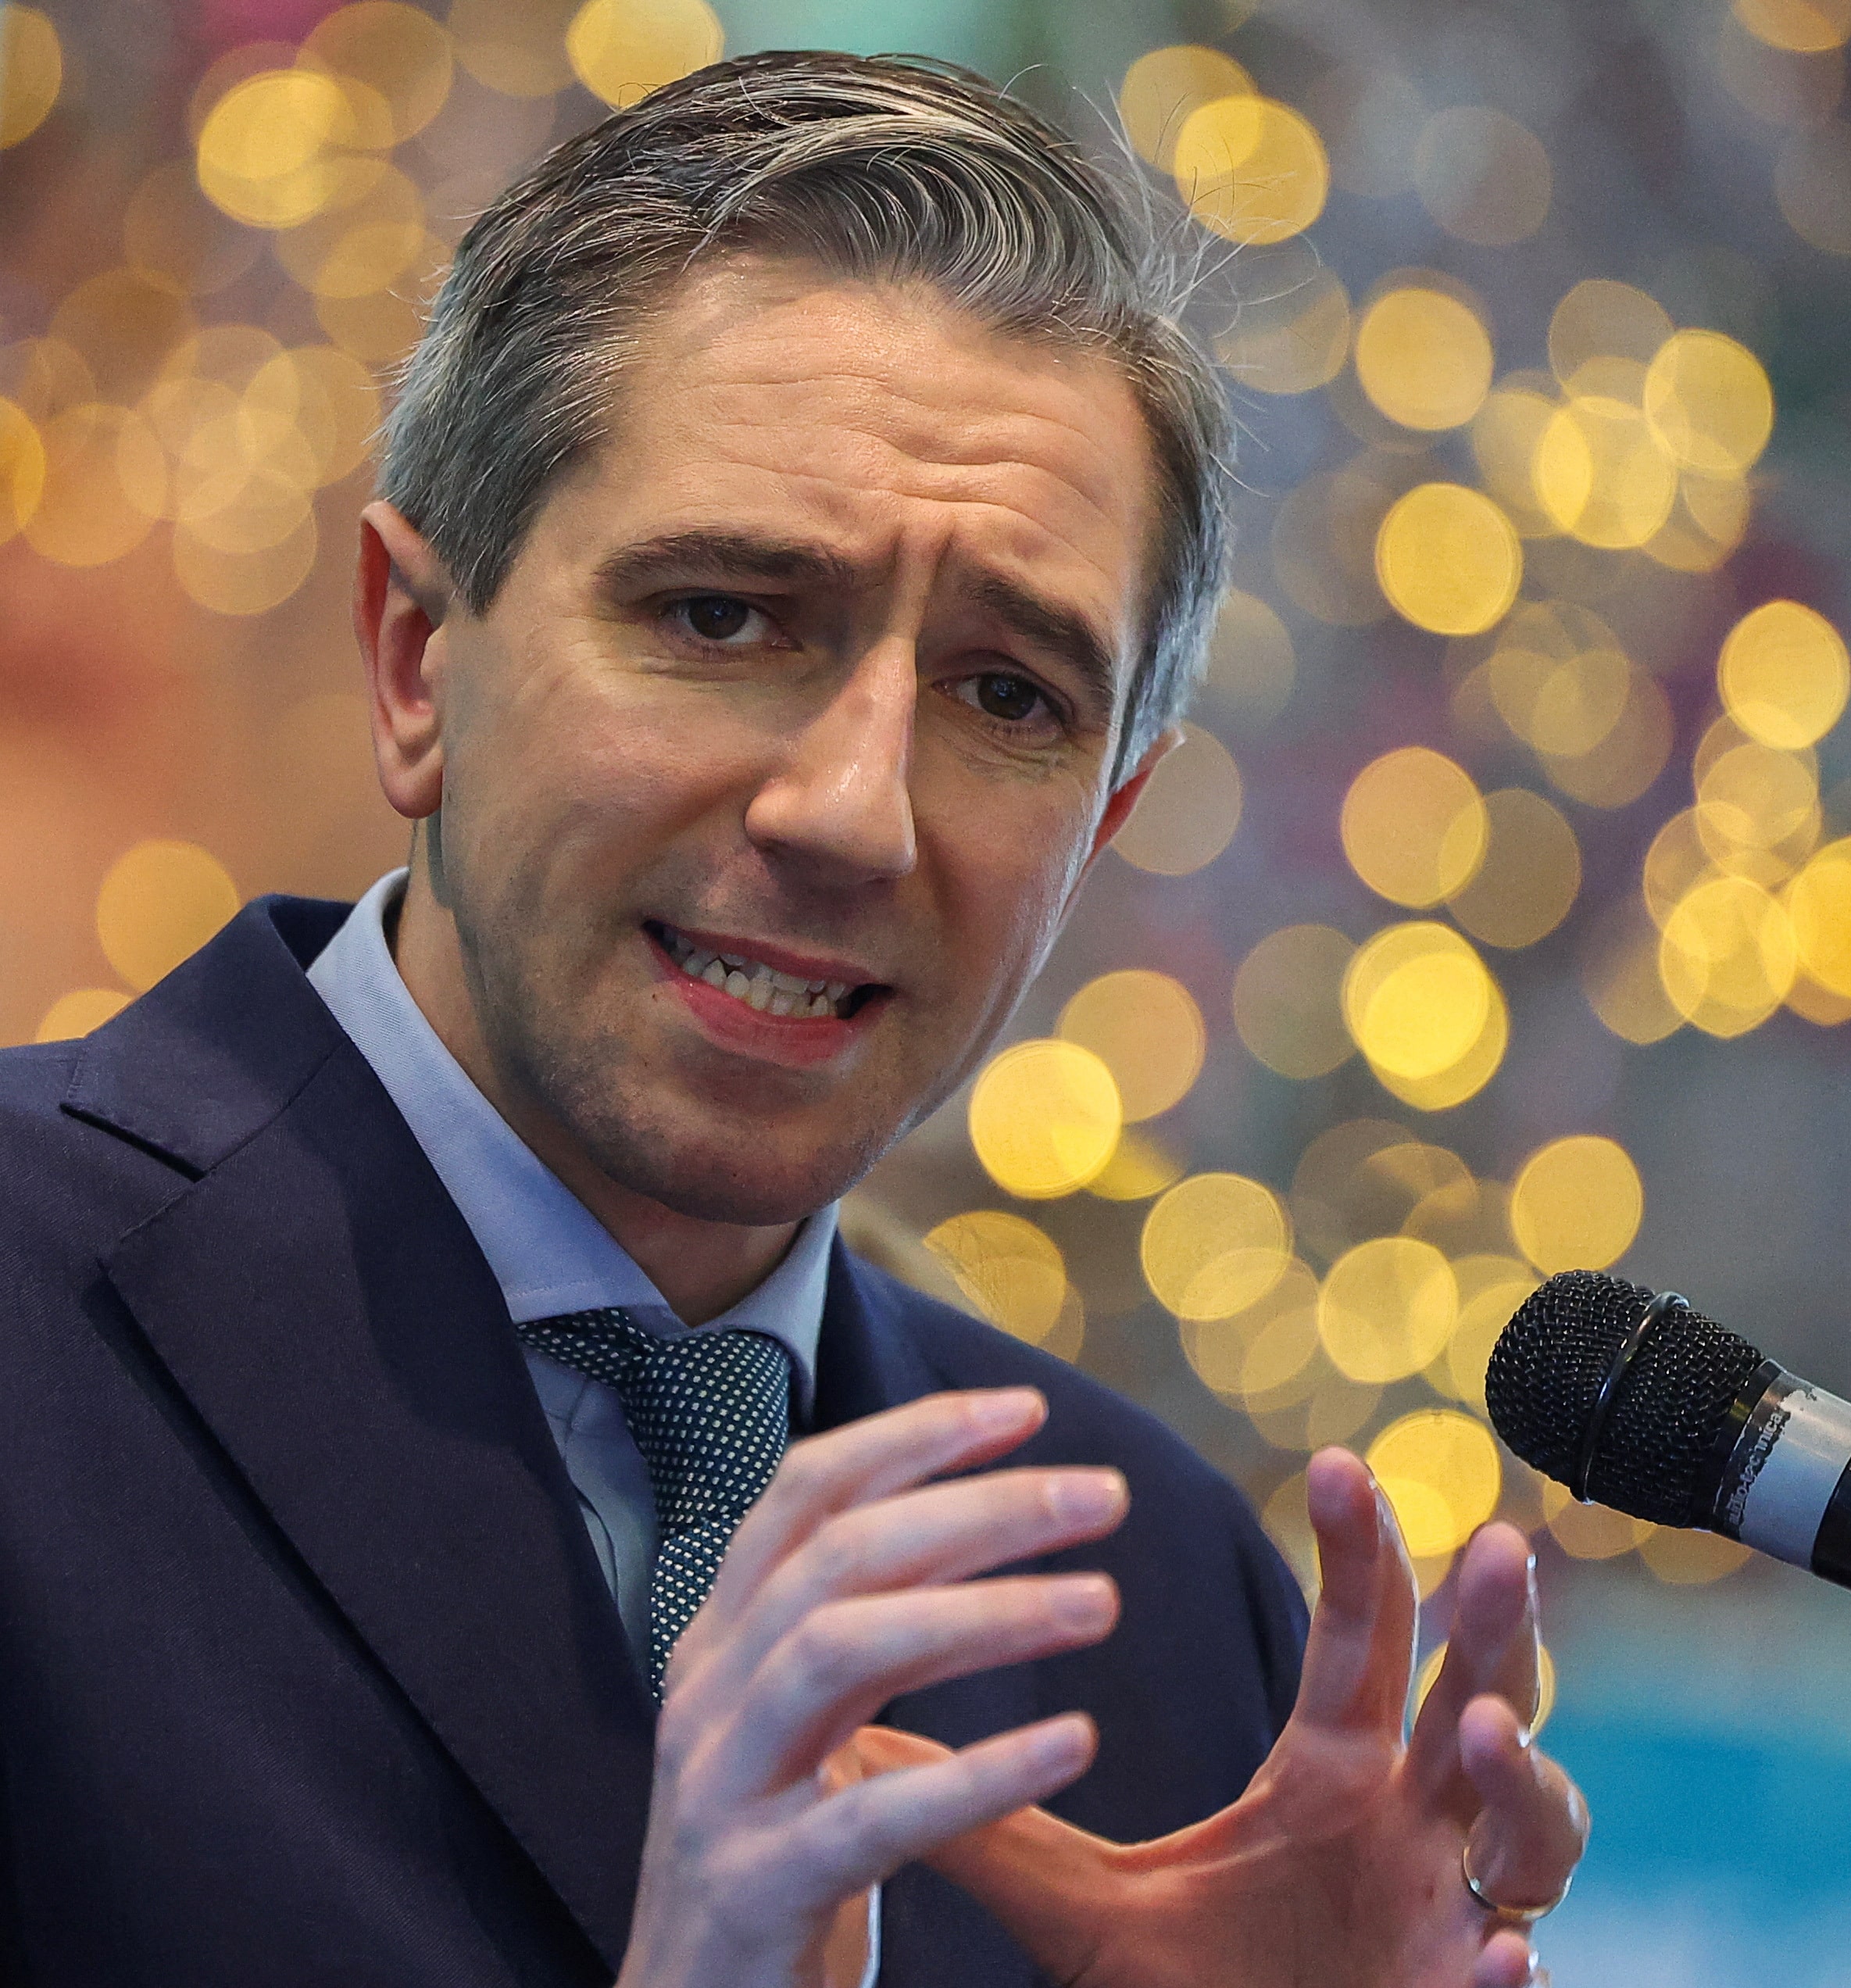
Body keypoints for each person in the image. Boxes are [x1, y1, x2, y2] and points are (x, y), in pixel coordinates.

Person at [0, 50, 1585, 1988]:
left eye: (1006, 697)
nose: (851, 811)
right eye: (722, 617)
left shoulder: (1165, 1615)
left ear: (1101, 823)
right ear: (417, 660)